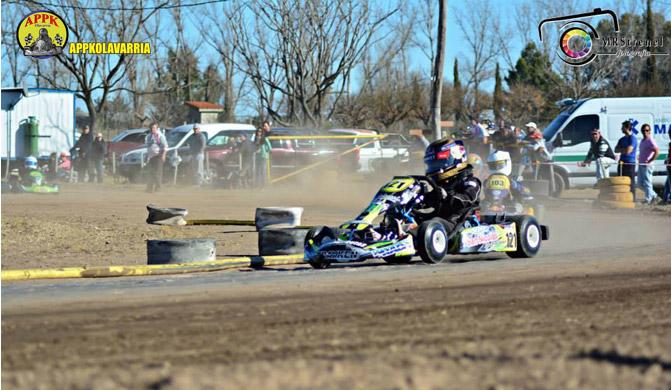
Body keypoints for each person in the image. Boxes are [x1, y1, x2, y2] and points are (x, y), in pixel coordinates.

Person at [422, 139, 482, 234]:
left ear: (455, 157)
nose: (435, 168)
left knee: (430, 225)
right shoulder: (442, 185)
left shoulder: (469, 181)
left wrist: (447, 196)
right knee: (415, 218)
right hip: (439, 221)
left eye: (438, 163)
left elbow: (468, 199)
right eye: (432, 165)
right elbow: (431, 201)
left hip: (458, 222)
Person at [614, 120, 638, 201]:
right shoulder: (621, 139)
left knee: (631, 183)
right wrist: (624, 150)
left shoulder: (633, 138)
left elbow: (629, 151)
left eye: (622, 127)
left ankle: (632, 200)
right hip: (621, 163)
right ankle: (622, 199)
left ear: (627, 128)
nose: (621, 129)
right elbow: (615, 150)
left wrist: (622, 150)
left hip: (630, 164)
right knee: (620, 182)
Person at [637, 123, 660, 204]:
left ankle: (648, 199)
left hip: (647, 165)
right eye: (643, 130)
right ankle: (654, 195)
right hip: (641, 164)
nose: (645, 132)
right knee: (639, 184)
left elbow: (657, 151)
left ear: (650, 131)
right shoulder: (642, 141)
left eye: (647, 130)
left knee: (647, 183)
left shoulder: (651, 140)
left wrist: (650, 160)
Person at [144, 122, 168, 193]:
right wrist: (147, 156)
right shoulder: (149, 136)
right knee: (150, 172)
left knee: (158, 173)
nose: (152, 129)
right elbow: (148, 147)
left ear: (157, 128)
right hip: (151, 157)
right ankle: (149, 188)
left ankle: (158, 188)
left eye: (154, 128)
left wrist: (163, 155)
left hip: (158, 156)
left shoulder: (160, 136)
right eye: (151, 128)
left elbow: (165, 146)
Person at [663, 132, 671, 204]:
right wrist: (667, 160)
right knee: (668, 183)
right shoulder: (670, 144)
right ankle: (666, 199)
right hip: (669, 166)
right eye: (669, 133)